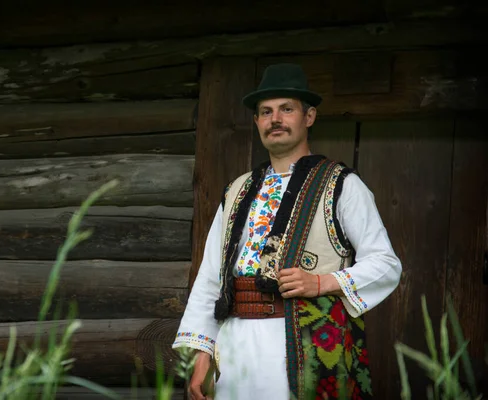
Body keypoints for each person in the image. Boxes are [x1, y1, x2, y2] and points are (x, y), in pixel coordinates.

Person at [172, 63, 402, 400]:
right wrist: (202, 352)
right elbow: (211, 277)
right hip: (234, 345)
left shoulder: (341, 184)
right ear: (256, 122)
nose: (274, 119)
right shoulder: (237, 190)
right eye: (265, 112)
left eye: (286, 109)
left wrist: (321, 282)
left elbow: (385, 263)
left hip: (303, 347)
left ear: (308, 117)